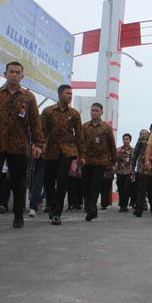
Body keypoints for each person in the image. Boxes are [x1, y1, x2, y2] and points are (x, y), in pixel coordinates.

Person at [0, 62, 44, 234]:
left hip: (19, 146)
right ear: (5, 74)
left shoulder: (28, 97)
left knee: (18, 183)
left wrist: (38, 144)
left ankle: (18, 217)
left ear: (22, 76)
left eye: (17, 73)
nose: (14, 75)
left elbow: (35, 123)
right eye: (11, 72)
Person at [41, 85, 85, 226]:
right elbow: (41, 131)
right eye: (67, 93)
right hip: (50, 150)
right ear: (60, 94)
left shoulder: (75, 114)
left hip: (67, 151)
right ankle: (51, 205)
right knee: (48, 181)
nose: (70, 96)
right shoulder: (48, 111)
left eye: (71, 94)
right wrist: (39, 146)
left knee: (62, 181)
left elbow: (79, 135)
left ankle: (57, 212)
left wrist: (82, 155)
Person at [81, 103, 117, 221]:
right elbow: (80, 143)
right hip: (87, 161)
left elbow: (112, 145)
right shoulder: (84, 127)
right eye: (92, 110)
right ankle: (90, 206)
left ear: (101, 112)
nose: (94, 112)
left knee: (95, 185)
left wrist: (113, 163)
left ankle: (92, 208)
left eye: (96, 110)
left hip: (101, 162)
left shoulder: (106, 127)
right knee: (86, 185)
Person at [133, 128, 152, 217]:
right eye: (142, 133)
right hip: (142, 169)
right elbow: (136, 152)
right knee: (141, 190)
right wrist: (133, 166)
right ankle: (139, 210)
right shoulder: (142, 140)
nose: (143, 135)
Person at [116, 133, 136, 213]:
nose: (126, 140)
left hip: (129, 172)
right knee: (120, 189)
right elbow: (115, 159)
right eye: (124, 139)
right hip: (120, 172)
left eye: (127, 139)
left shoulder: (133, 150)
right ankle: (121, 205)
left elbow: (134, 161)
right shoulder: (118, 150)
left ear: (130, 140)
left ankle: (125, 205)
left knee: (126, 189)